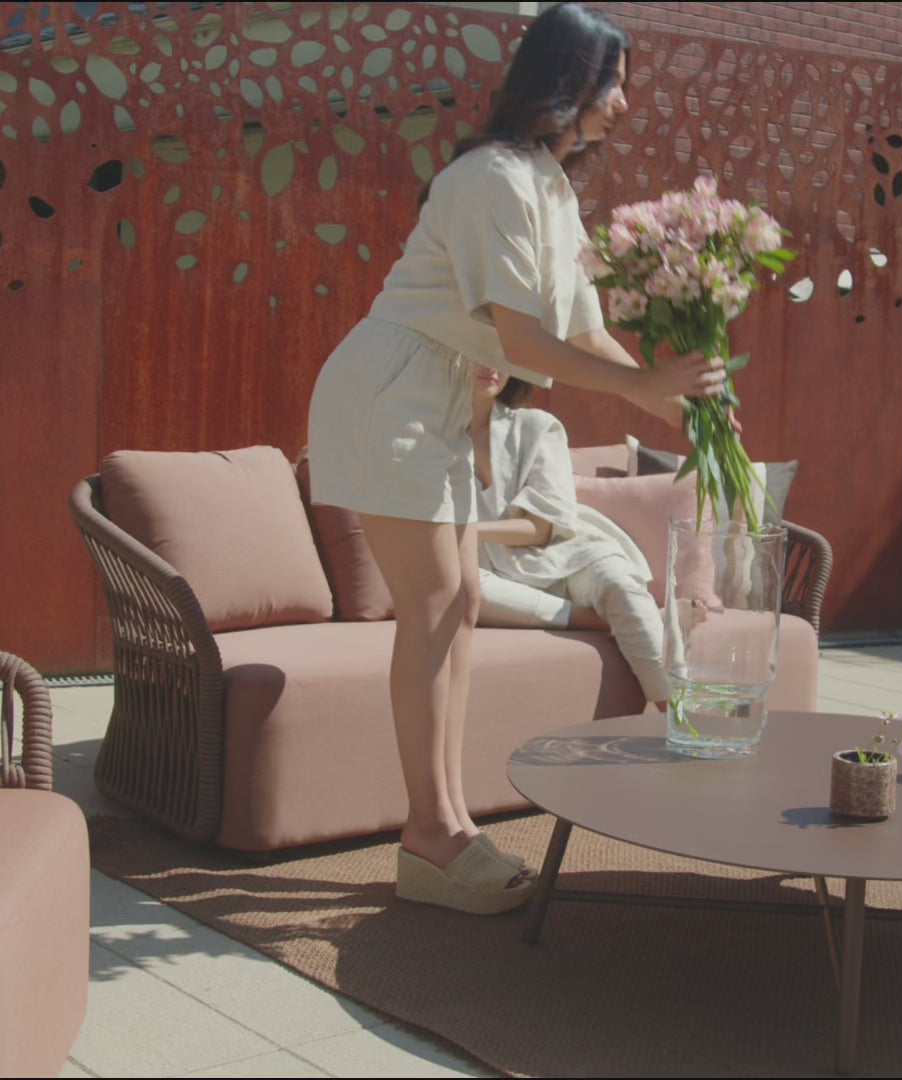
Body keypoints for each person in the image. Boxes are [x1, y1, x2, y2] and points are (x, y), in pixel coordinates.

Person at [306, 3, 725, 915]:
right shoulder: (490, 177)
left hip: (447, 397)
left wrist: (672, 394)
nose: (624, 104)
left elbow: (583, 332)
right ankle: (432, 833)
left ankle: (446, 825)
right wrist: (642, 385)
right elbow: (526, 339)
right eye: (614, 83)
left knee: (458, 605)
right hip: (395, 391)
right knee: (432, 610)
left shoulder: (552, 188)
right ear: (567, 81)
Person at [470, 365, 668, 709]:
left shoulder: (537, 426)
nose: (491, 366)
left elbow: (541, 529)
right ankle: (610, 617)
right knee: (459, 586)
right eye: (478, 353)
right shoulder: (434, 443)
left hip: (569, 552)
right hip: (495, 576)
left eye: (500, 357)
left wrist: (461, 530)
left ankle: (678, 720)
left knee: (619, 585)